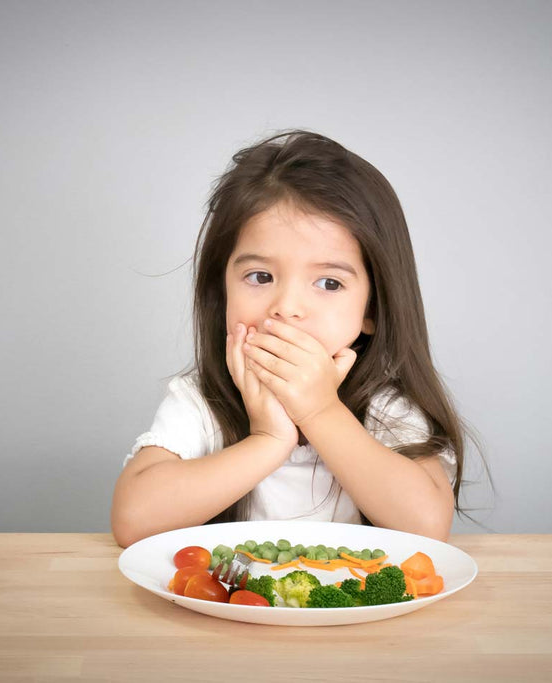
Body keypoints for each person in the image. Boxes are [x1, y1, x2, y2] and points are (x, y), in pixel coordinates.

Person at [111, 130, 474, 547]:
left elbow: (427, 526)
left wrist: (321, 411)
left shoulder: (384, 406)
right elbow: (133, 519)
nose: (286, 307)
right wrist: (268, 441)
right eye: (260, 277)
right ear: (222, 290)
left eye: (328, 283)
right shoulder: (201, 402)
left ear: (372, 309)